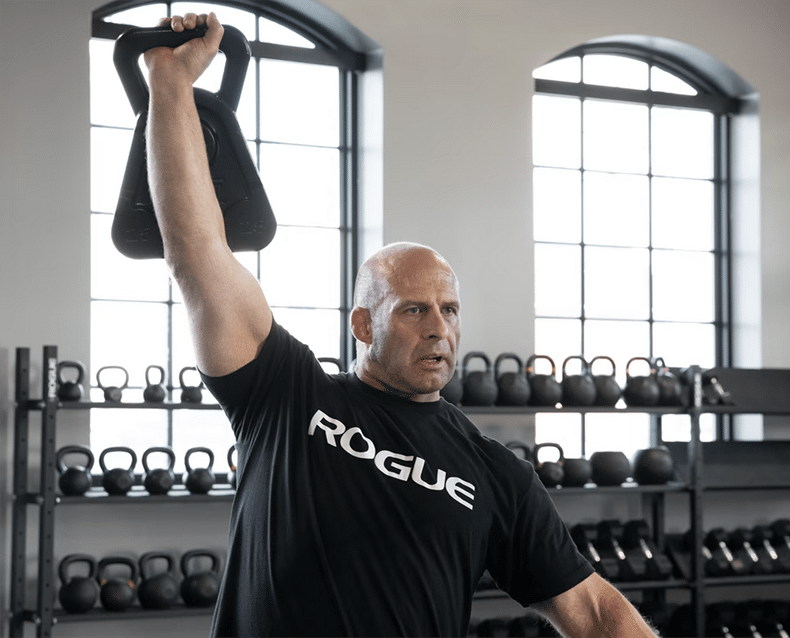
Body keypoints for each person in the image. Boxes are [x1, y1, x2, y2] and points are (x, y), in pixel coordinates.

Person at [144, 12, 658, 637]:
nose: (438, 328)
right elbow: (197, 251)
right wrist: (169, 85)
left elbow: (596, 612)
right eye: (414, 309)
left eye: (449, 310)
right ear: (363, 324)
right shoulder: (285, 395)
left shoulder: (494, 472)